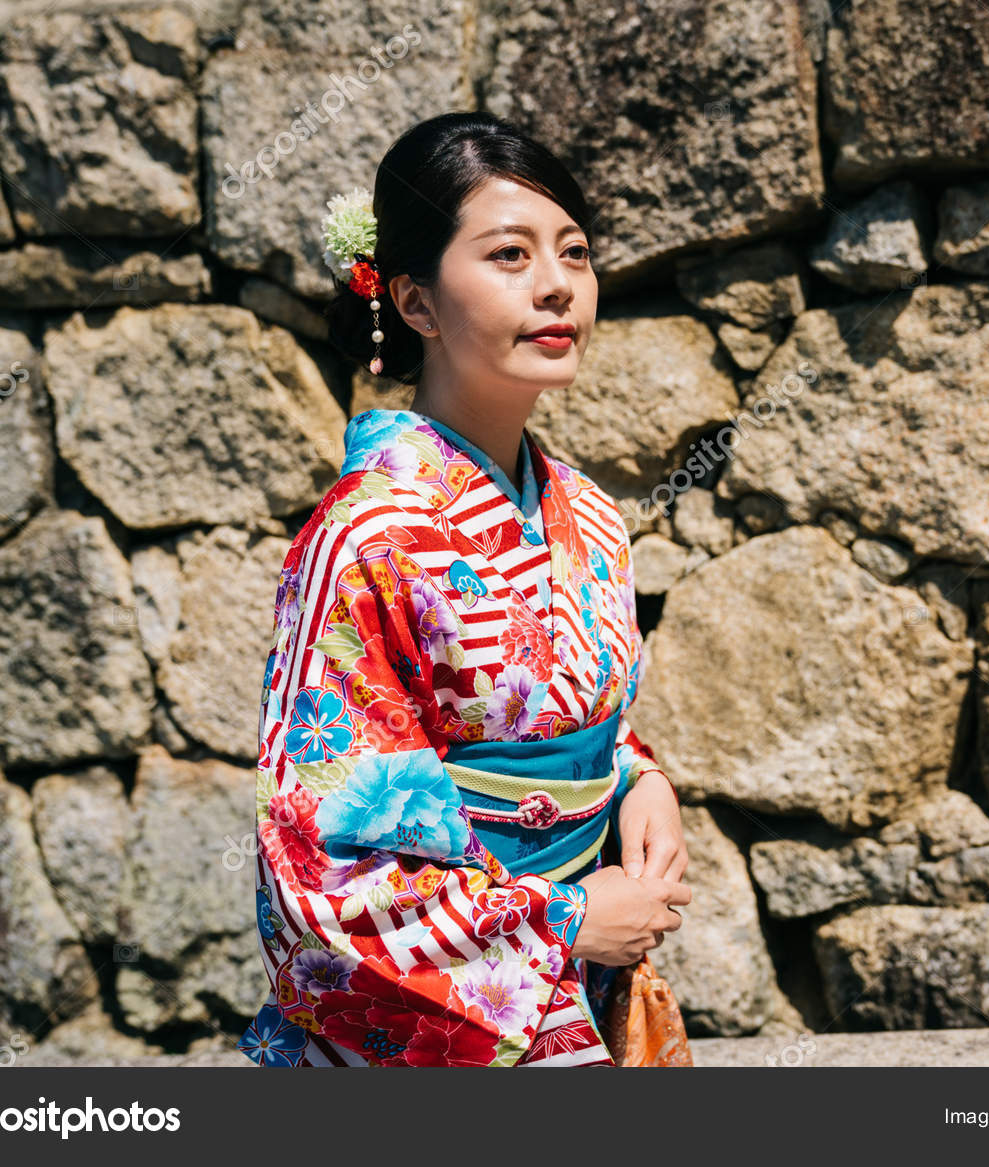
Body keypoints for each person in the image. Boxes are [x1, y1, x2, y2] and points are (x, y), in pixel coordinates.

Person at [238, 112, 691, 1067]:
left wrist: (638, 778)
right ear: (414, 302)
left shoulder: (590, 513)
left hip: (585, 983)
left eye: (574, 251)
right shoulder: (365, 536)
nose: (557, 284)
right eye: (509, 254)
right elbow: (320, 859)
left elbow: (576, 718)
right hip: (462, 1015)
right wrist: (559, 920)